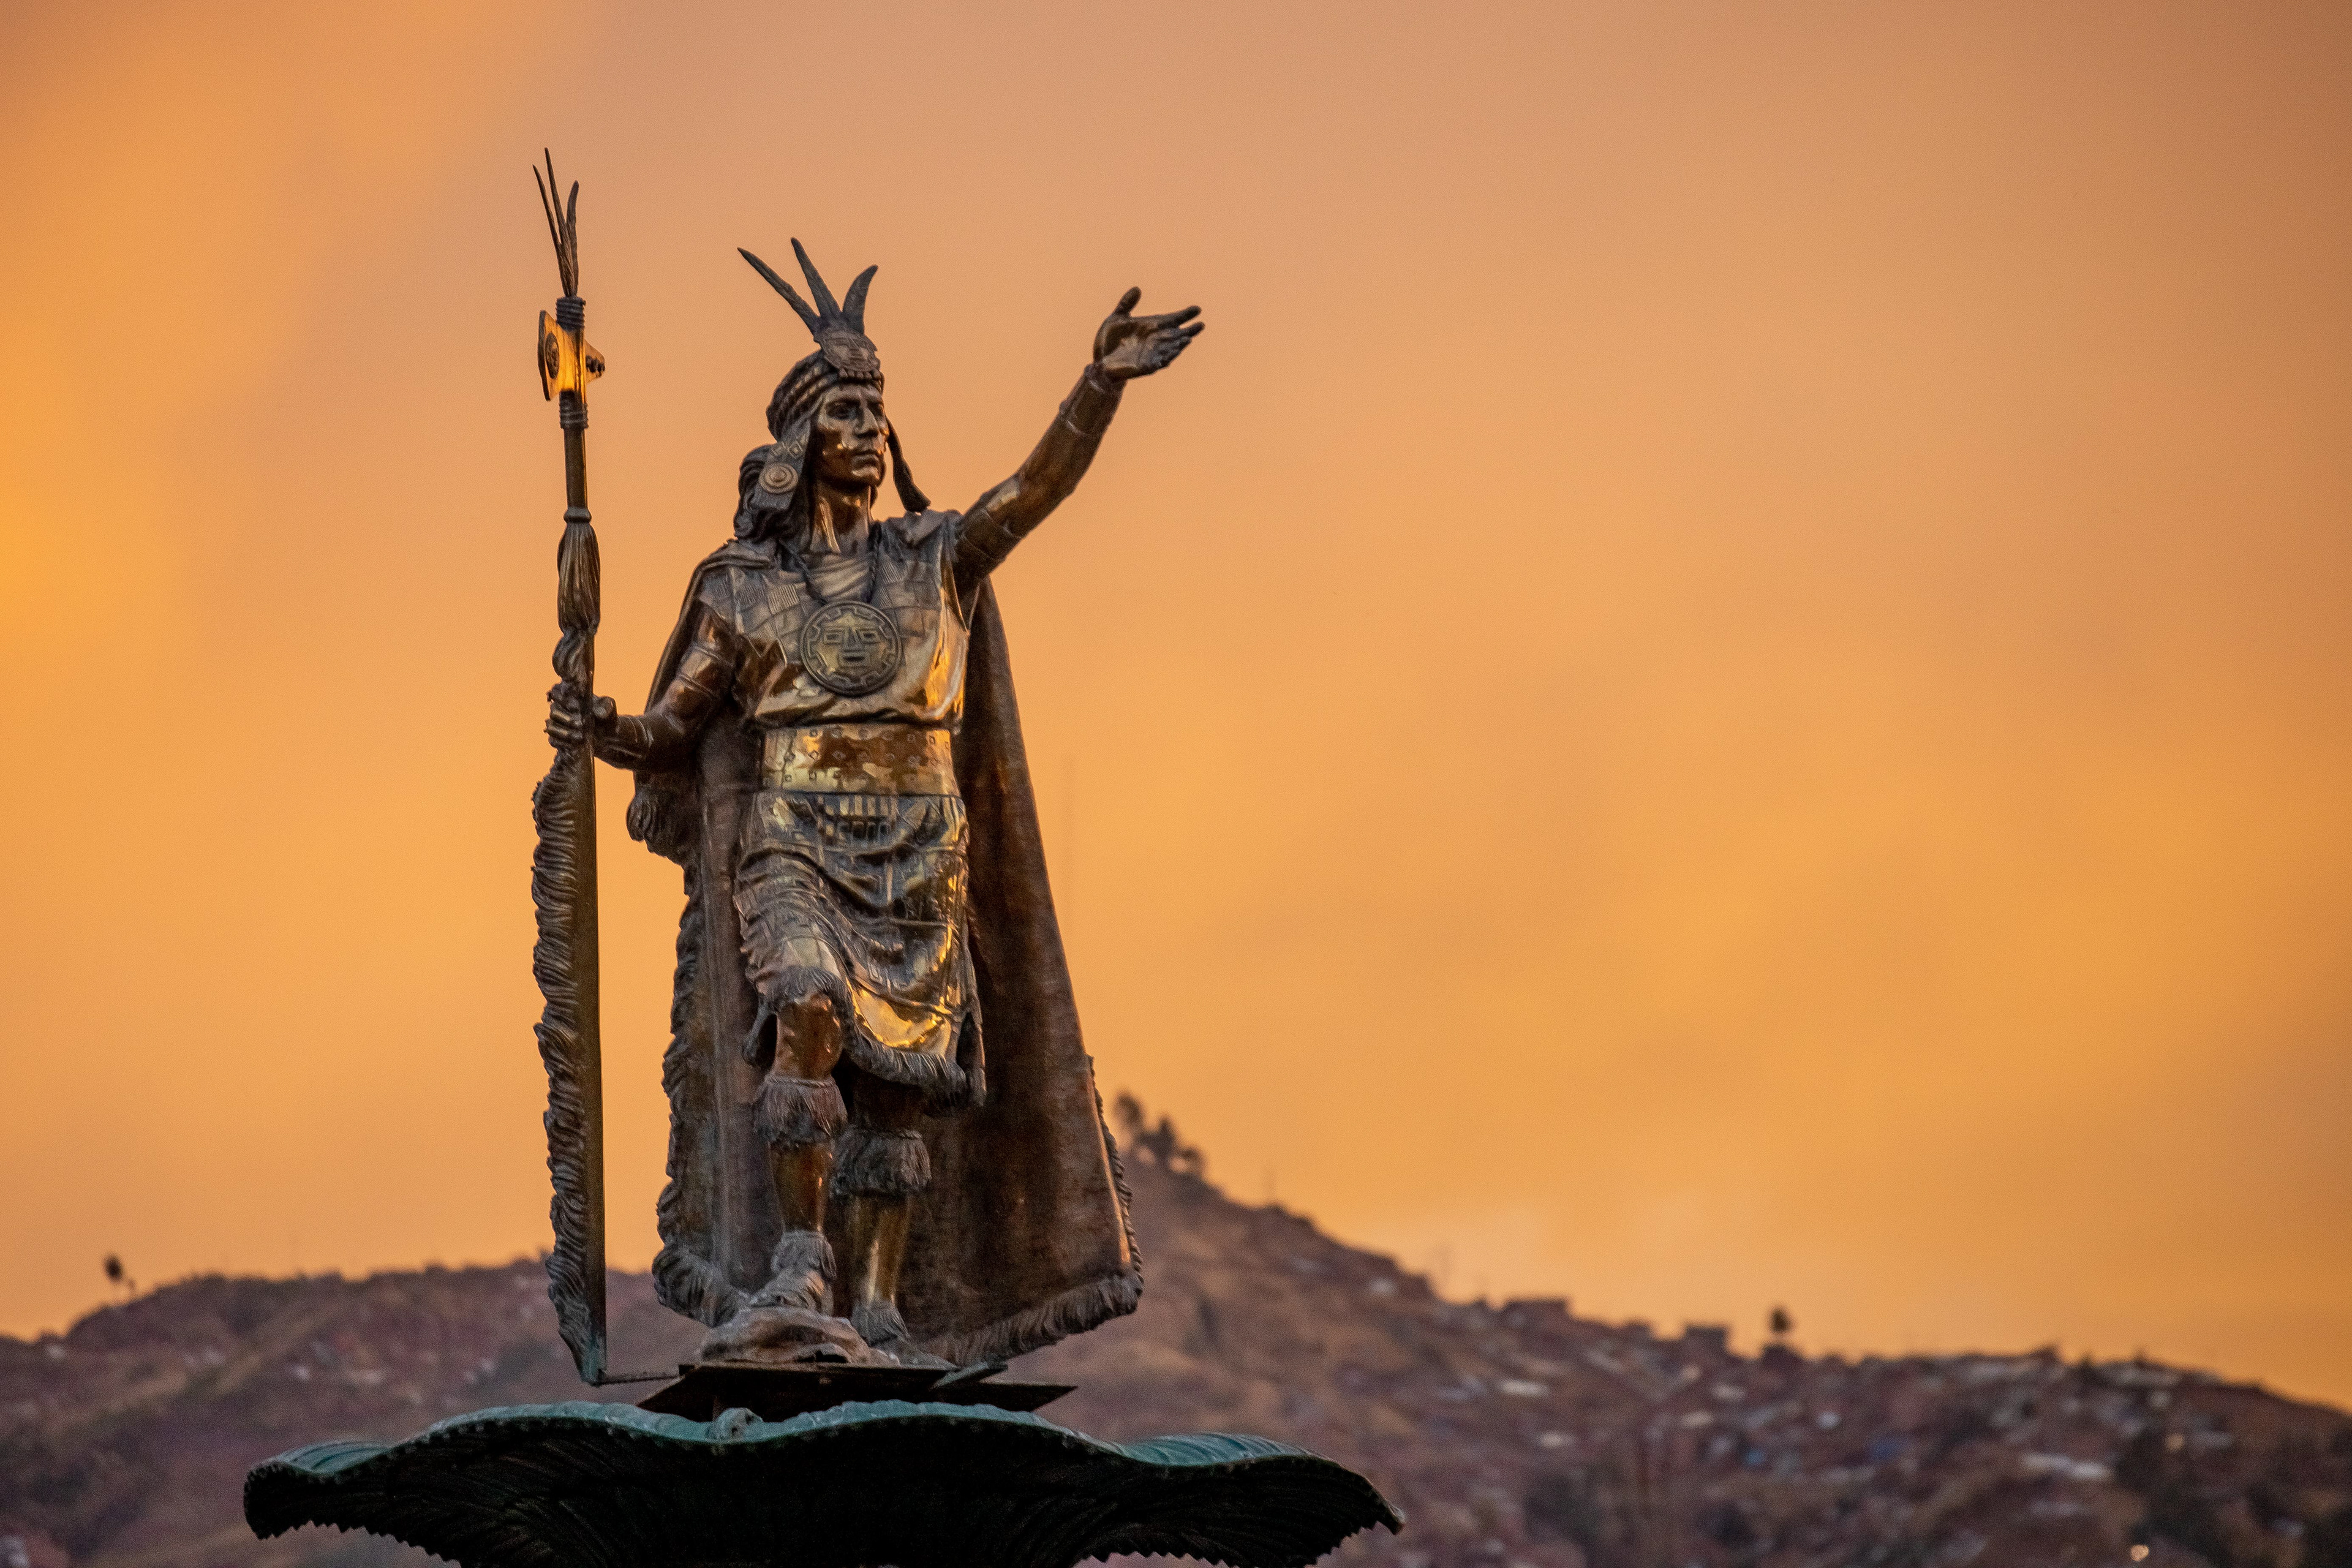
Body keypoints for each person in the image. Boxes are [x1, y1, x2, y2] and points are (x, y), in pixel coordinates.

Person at [548, 240, 1199, 1365]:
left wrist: (1096, 388)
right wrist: (600, 727)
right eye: (845, 411)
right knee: (805, 1008)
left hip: (918, 852)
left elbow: (1027, 495)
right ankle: (802, 1259)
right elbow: (675, 729)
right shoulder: (739, 585)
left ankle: (883, 1307)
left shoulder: (934, 561)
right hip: (791, 844)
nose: (868, 430)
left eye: (877, 411)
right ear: (798, 441)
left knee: (897, 1096)